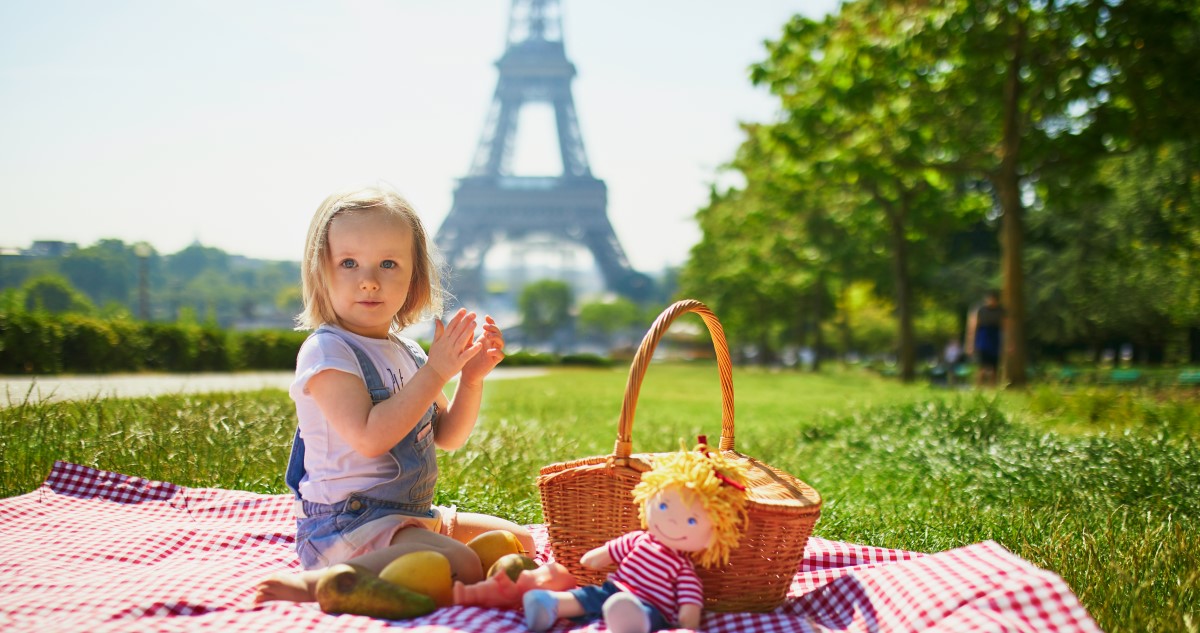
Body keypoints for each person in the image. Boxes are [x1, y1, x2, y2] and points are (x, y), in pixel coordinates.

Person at [254, 184, 533, 605]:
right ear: (320, 272)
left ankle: (430, 570)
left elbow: (448, 436)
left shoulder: (409, 351)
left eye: (388, 263)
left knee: (519, 543)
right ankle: (322, 584)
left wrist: (470, 379)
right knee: (465, 564)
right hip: (346, 526)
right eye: (349, 263)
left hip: (409, 516)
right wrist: (437, 370)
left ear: (413, 277)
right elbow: (370, 438)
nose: (369, 281)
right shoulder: (328, 350)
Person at [522, 438, 750, 633]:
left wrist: (686, 623)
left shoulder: (683, 569)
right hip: (613, 589)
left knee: (644, 614)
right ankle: (549, 604)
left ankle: (630, 622)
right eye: (663, 507)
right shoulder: (638, 540)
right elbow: (608, 552)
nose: (671, 521)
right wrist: (595, 557)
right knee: (587, 596)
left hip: (651, 605)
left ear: (712, 535)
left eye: (692, 521)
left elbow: (689, 604)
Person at [965, 290, 1005, 387]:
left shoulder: (1000, 311)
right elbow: (973, 327)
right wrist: (970, 344)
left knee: (994, 367)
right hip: (983, 337)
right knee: (982, 366)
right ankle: (978, 387)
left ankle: (993, 389)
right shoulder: (981, 310)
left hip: (995, 338)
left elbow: (1005, 326)